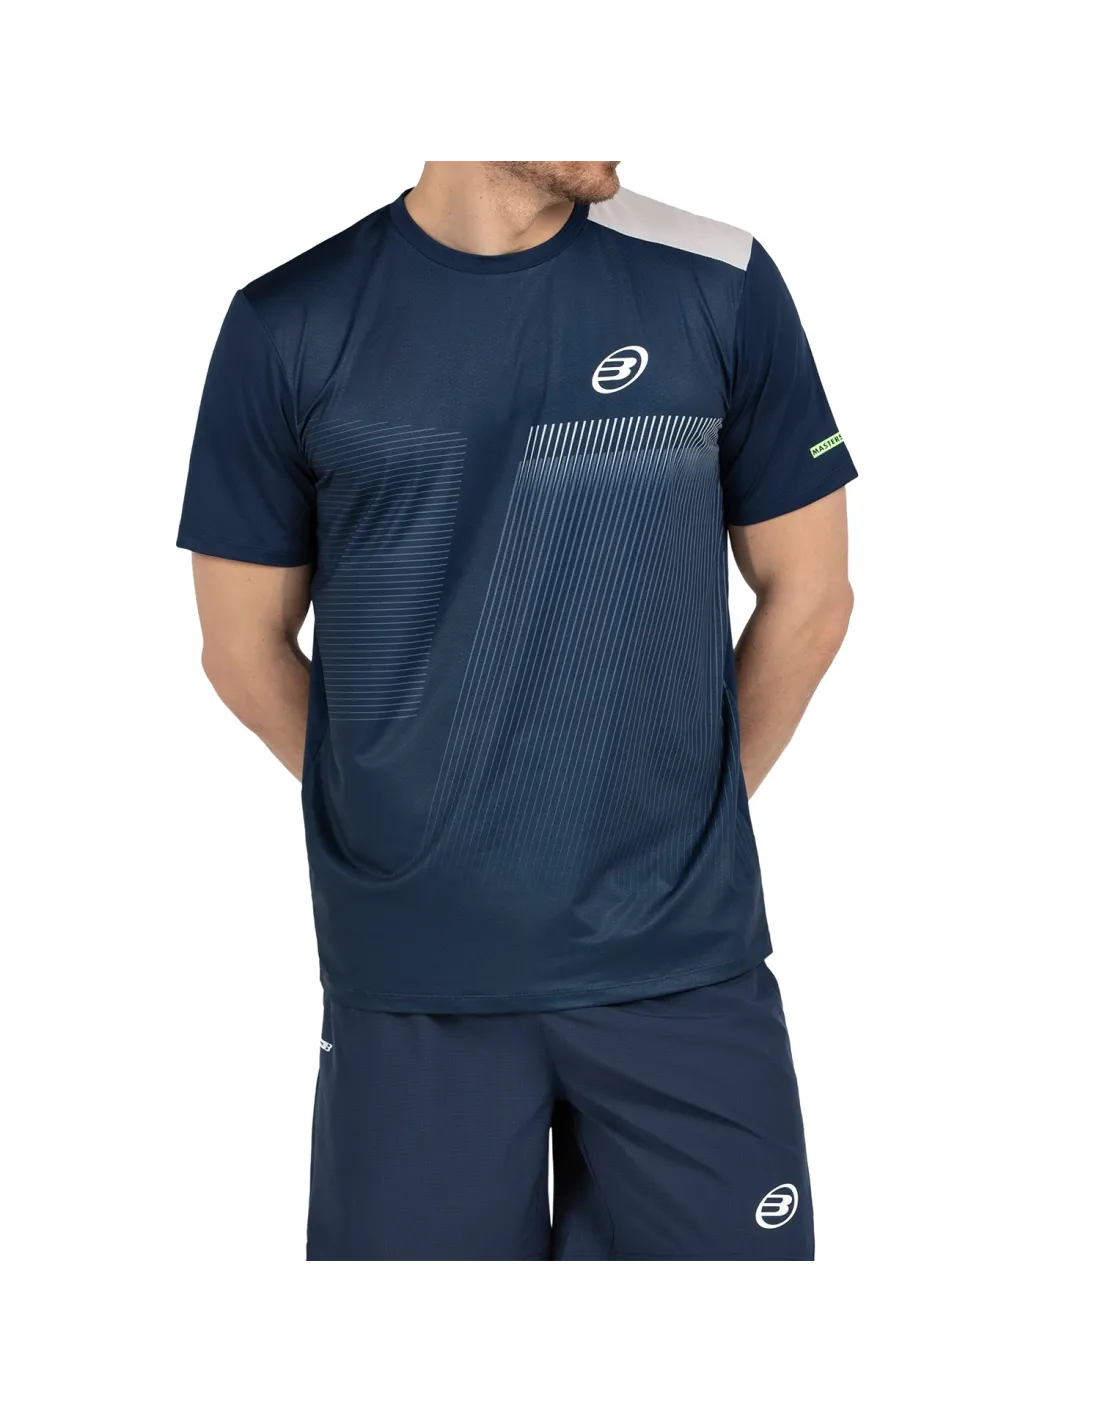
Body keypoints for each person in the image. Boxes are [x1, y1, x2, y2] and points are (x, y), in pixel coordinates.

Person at [177, 159, 856, 1263]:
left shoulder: (718, 278)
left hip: (682, 968)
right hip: (415, 982)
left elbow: (812, 596)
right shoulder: (291, 322)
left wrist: (681, 826)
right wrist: (418, 833)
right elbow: (240, 649)